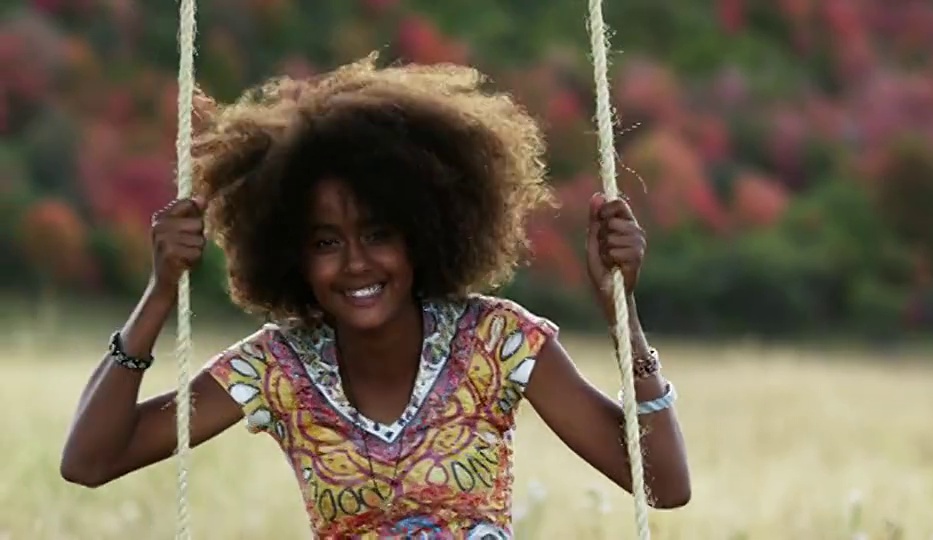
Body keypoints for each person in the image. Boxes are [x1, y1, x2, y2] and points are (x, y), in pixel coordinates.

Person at [60, 54, 690, 538]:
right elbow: (90, 461)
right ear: (293, 255)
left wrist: (622, 316)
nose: (357, 263)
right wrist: (160, 292)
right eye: (326, 241)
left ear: (421, 235)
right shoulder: (281, 367)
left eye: (379, 234)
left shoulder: (496, 342)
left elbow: (664, 485)